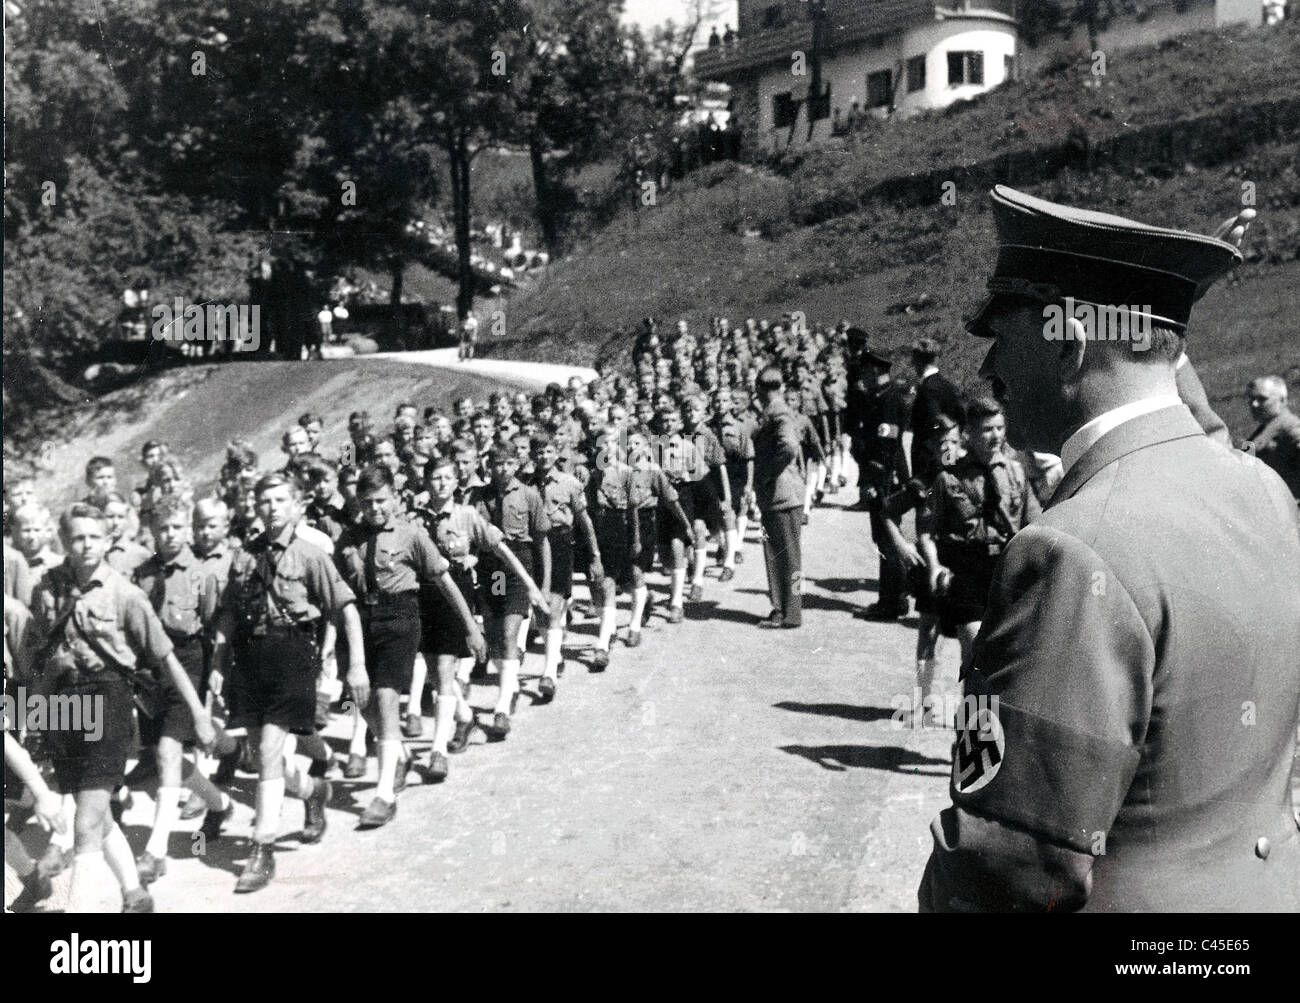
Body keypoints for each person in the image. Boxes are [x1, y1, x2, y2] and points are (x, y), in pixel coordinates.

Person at [919, 184, 1300, 912]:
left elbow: (1014, 864)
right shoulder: (1263, 493)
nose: (987, 367)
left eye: (1003, 331)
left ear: (1068, 346)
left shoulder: (1071, 550)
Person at [24, 503, 215, 912]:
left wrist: (199, 713)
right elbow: (37, 656)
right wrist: (38, 705)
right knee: (96, 813)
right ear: (64, 542)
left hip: (109, 703)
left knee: (85, 822)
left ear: (108, 540)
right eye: (78, 537)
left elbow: (165, 658)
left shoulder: (125, 594)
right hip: (64, 707)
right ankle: (134, 892)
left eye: (95, 536)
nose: (87, 544)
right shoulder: (48, 589)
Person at [212, 472, 368, 893]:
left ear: (298, 506)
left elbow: (345, 609)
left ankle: (260, 847)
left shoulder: (311, 556)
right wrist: (217, 661)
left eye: (281, 500)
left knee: (266, 750)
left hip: (294, 655)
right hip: (251, 659)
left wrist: (356, 668)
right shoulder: (244, 557)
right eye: (264, 501)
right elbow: (228, 613)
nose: (272, 508)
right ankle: (314, 790)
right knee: (269, 756)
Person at [334, 464, 478, 826]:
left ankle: (384, 796)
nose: (375, 509)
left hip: (400, 618)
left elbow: (444, 581)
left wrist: (470, 627)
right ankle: (397, 754)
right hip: (360, 622)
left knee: (385, 698)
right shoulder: (348, 539)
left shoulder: (412, 535)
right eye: (367, 503)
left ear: (395, 498)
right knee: (360, 700)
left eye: (381, 501)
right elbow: (336, 592)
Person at [917, 397, 1038, 670]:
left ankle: (970, 711)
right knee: (975, 650)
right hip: (967, 570)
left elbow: (1034, 526)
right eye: (987, 429)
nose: (995, 436)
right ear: (968, 433)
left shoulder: (1017, 473)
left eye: (999, 428)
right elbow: (926, 530)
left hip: (1005, 570)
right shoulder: (948, 478)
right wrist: (935, 566)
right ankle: (966, 708)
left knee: (999, 660)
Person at [852, 348, 913, 619]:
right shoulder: (880, 397)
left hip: (886, 479)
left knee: (888, 538)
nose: (863, 374)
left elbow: (887, 447)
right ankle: (894, 598)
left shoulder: (889, 400)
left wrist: (874, 482)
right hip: (884, 477)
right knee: (886, 537)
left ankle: (891, 602)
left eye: (866, 369)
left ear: (876, 370)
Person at [752, 367, 804, 629]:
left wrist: (767, 474)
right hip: (782, 494)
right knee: (785, 555)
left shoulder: (778, 412)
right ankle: (785, 609)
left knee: (783, 555)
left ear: (760, 389)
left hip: (781, 494)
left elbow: (789, 447)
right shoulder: (778, 409)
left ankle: (788, 612)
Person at [908, 337, 965, 488]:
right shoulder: (948, 386)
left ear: (917, 360)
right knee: (948, 487)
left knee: (927, 498)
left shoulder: (927, 388)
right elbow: (962, 417)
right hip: (948, 452)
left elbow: (935, 420)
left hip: (929, 457)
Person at [1243, 374, 1300, 500]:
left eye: (1262, 399)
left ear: (1282, 400)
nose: (1254, 404)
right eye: (1251, 399)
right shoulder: (1262, 431)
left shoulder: (1291, 427)